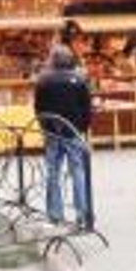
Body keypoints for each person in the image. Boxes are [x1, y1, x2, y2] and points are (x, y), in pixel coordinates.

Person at [34, 45, 92, 228]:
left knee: (53, 173)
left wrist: (45, 127)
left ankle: (55, 215)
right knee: (78, 172)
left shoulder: (44, 80)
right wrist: (81, 128)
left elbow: (39, 108)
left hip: (53, 131)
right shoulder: (80, 79)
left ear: (53, 59)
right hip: (73, 131)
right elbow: (87, 108)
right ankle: (82, 214)